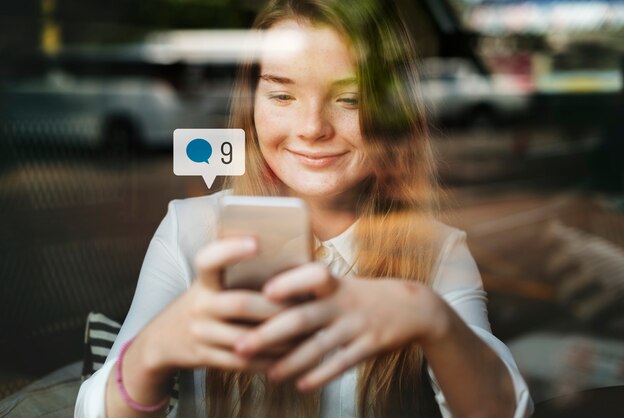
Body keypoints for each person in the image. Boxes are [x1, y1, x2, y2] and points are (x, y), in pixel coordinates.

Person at [75, 0, 533, 417]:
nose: (313, 127)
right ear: (251, 104)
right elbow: (95, 410)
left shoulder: (437, 250)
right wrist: (153, 350)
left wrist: (434, 322)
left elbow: (502, 410)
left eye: (349, 98)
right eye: (281, 95)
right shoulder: (189, 228)